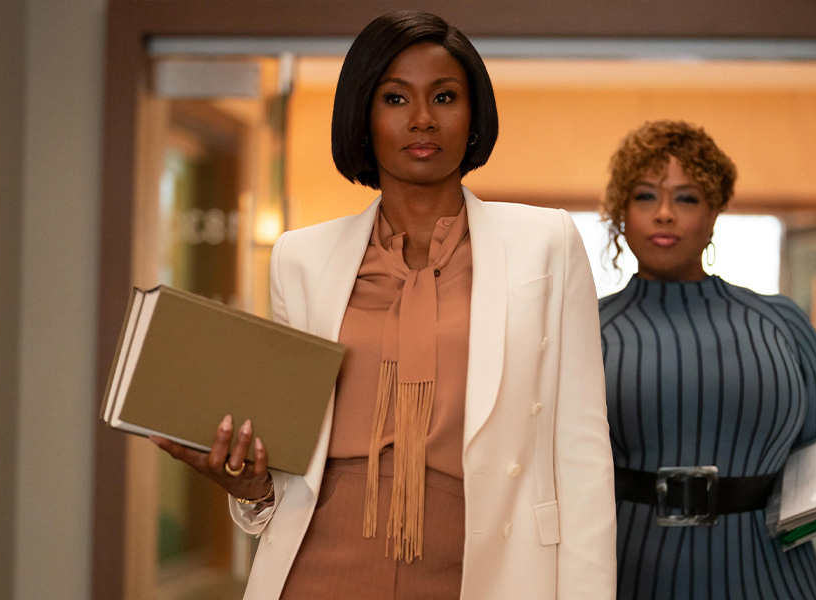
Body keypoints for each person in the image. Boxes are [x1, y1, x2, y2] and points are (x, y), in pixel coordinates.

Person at [151, 11, 617, 600]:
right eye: (395, 98)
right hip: (321, 564)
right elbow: (292, 461)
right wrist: (248, 486)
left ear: (474, 117)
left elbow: (582, 453)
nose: (422, 119)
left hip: (490, 566)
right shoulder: (301, 257)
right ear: (363, 119)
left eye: (444, 96)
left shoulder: (546, 243)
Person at [597, 120, 816, 599]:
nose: (665, 213)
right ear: (621, 213)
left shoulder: (782, 323)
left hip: (773, 580)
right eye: (645, 196)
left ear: (715, 212)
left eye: (687, 198)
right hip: (627, 576)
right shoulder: (584, 331)